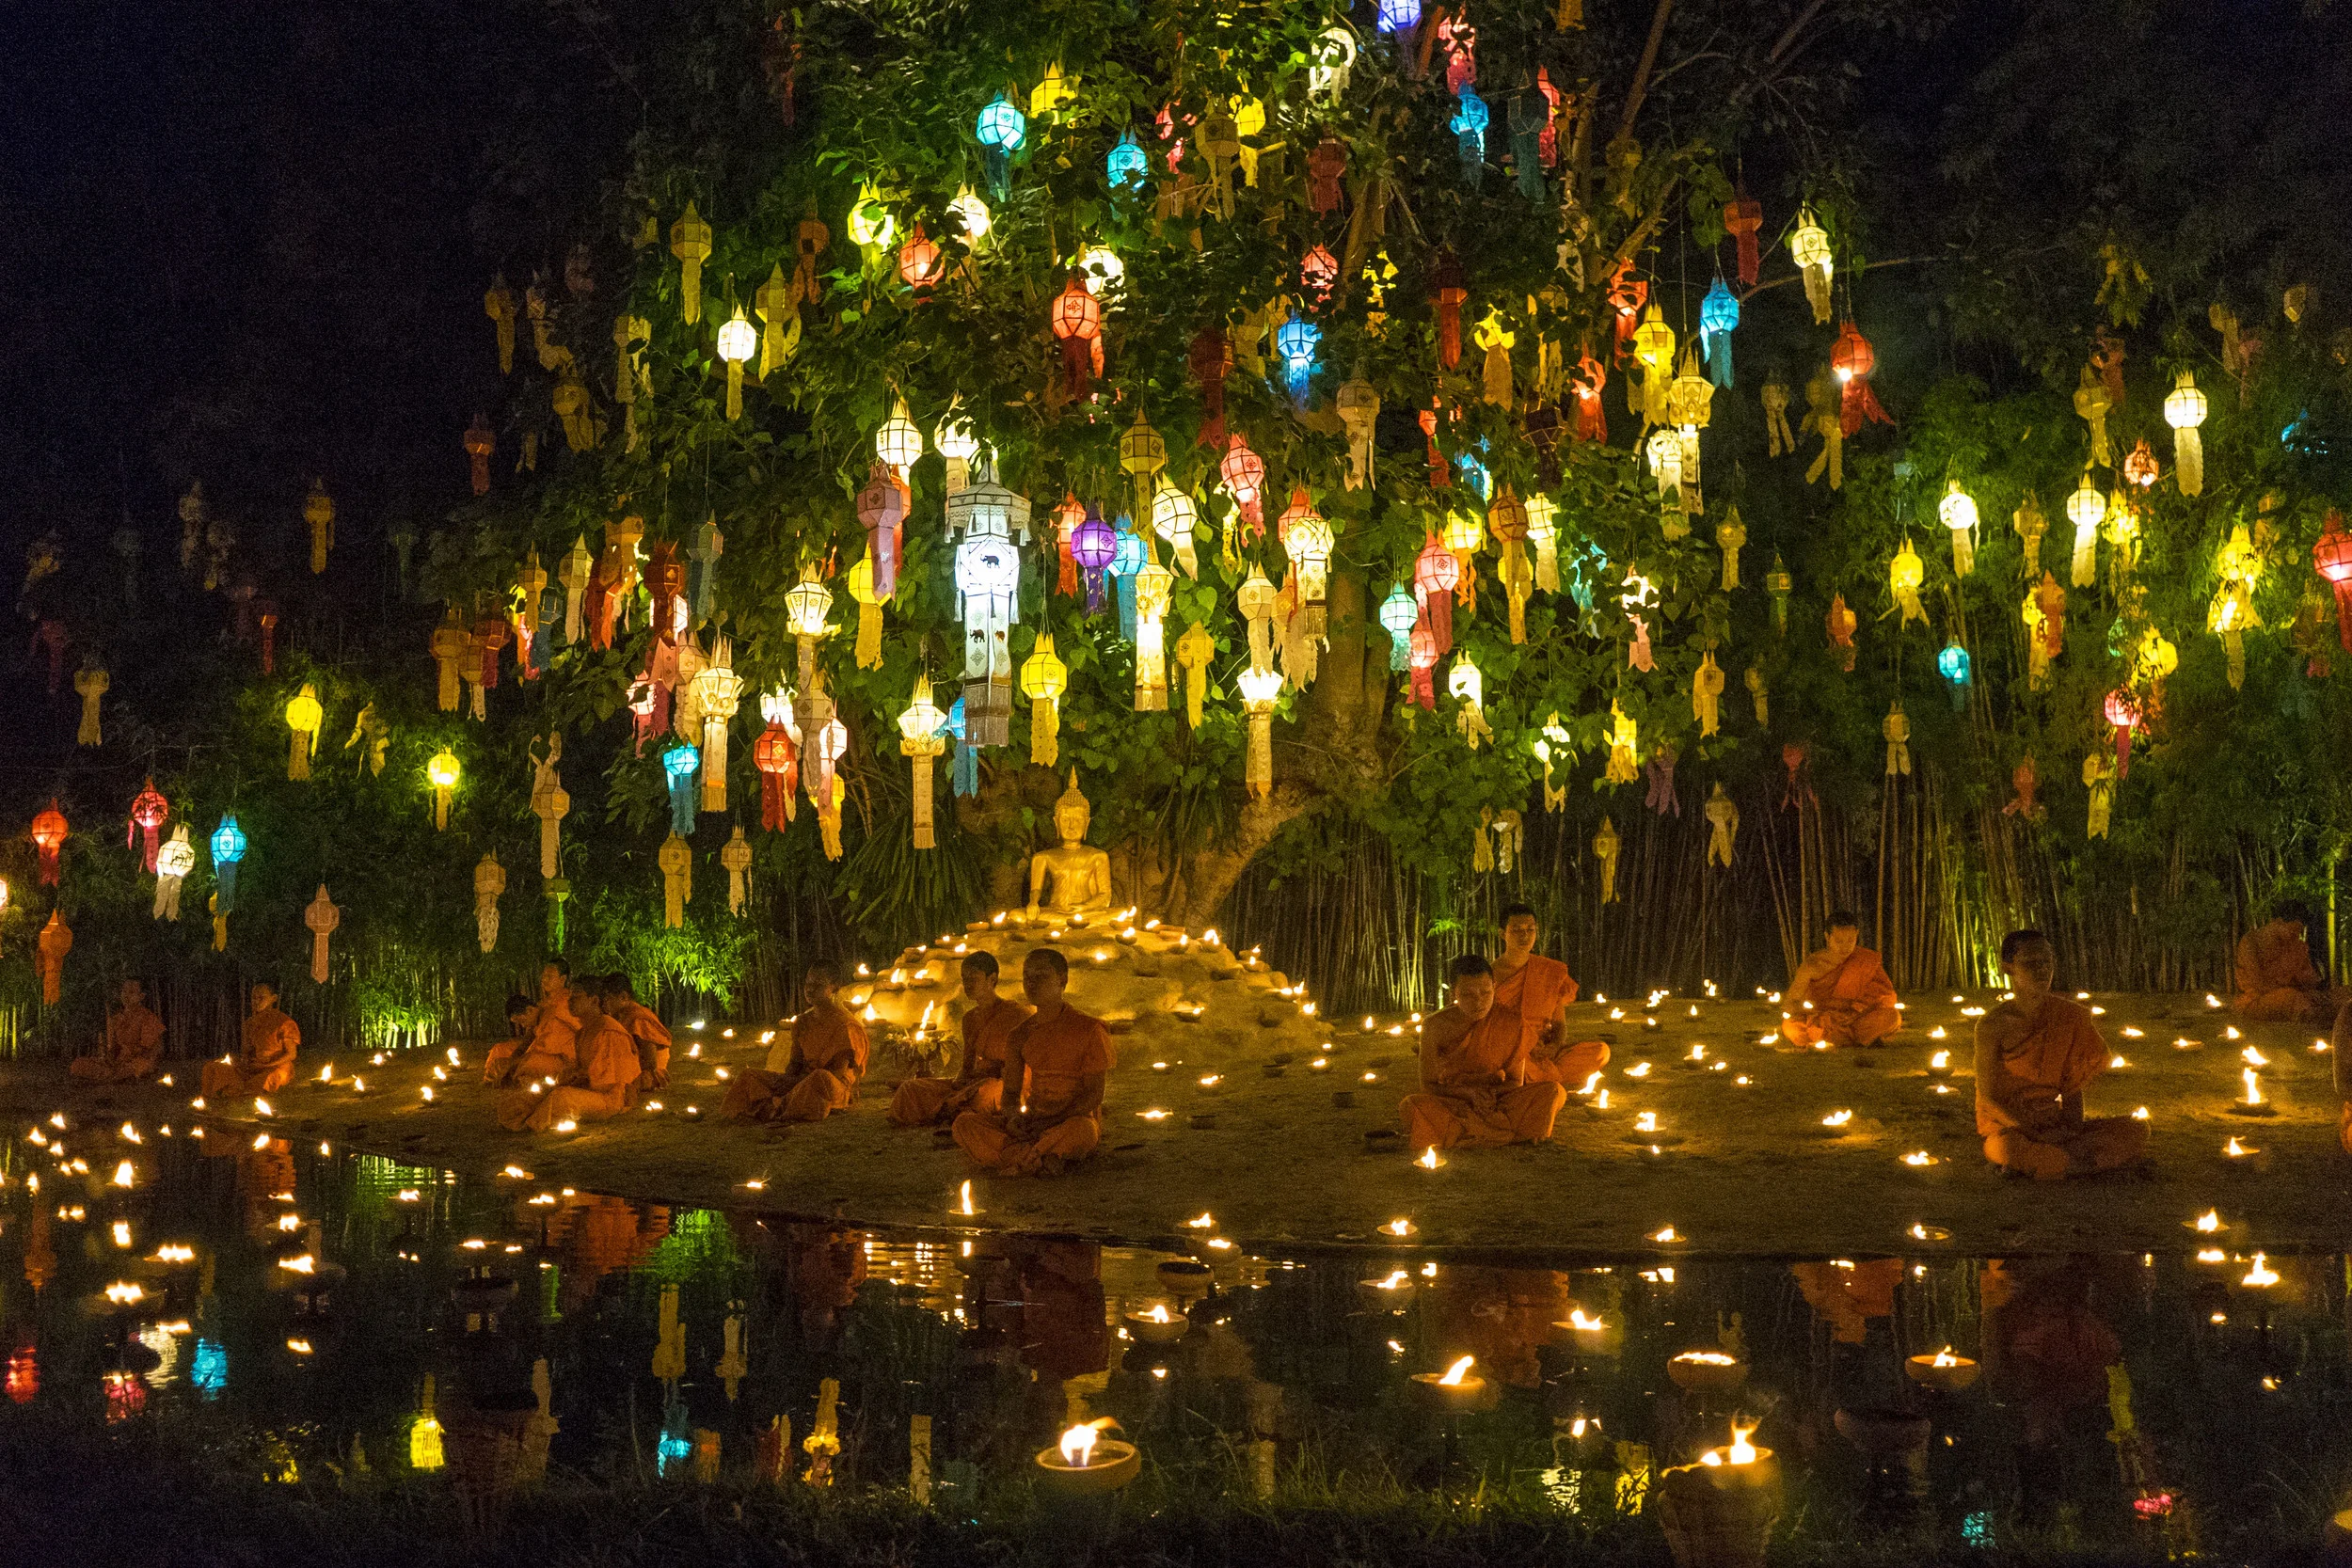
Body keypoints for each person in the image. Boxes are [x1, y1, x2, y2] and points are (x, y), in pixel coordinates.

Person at [1975, 928, 2148, 1180]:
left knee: (2137, 1129)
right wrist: (2034, 1132)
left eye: (2047, 962)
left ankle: (2059, 1163)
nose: (2042, 970)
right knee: (2005, 1148)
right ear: (2008, 967)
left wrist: (2071, 1130)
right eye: (2031, 963)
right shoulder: (1992, 1025)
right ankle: (2074, 1163)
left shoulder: (2070, 1016)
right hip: (2011, 1126)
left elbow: (2072, 1087)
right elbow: (1989, 1098)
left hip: (2053, 1122)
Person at [952, 948, 1111, 1176]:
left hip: (1071, 1119)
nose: (1032, 983)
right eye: (1027, 977)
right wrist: (1013, 1117)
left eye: (1041, 976)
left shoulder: (1089, 1029)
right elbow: (1010, 1094)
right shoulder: (1020, 1034)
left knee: (1082, 1131)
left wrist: (1052, 1120)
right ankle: (1040, 1158)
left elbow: (1094, 1095)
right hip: (1033, 1120)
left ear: (1062, 980)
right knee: (964, 1124)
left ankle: (1019, 1157)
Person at [1398, 954, 1568, 1152]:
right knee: (1411, 1105)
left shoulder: (1511, 1022)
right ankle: (1507, 1135)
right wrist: (1469, 1094)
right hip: (1456, 1101)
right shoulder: (1435, 1026)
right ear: (1454, 993)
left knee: (1554, 1092)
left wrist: (1489, 1096)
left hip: (1497, 1101)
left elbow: (1515, 1081)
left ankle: (1463, 1135)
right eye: (1468, 995)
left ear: (1494, 987)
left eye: (1485, 992)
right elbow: (1427, 1085)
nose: (1478, 1002)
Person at [891, 952, 1033, 1127]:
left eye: (974, 979)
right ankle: (952, 1109)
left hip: (1005, 1084)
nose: (967, 984)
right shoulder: (969, 1019)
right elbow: (967, 1064)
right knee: (910, 1089)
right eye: (964, 979)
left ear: (993, 980)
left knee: (982, 1095)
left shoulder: (1017, 1015)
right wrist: (958, 1084)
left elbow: (1026, 1066)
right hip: (973, 1082)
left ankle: (950, 1111)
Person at [722, 962, 869, 1123]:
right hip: (800, 1083)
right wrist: (785, 1081)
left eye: (817, 985)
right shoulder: (802, 1022)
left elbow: (836, 1075)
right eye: (807, 984)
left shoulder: (846, 1026)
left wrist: (797, 1083)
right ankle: (775, 1106)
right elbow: (795, 1063)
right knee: (749, 1075)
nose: (809, 989)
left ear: (835, 987)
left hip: (827, 1088)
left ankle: (773, 1108)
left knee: (820, 1078)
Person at [1489, 904, 1609, 1085]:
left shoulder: (1549, 971)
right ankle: (1541, 1079)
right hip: (1509, 1053)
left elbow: (1560, 1024)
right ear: (1502, 933)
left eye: (1531, 929)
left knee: (1601, 1051)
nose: (1525, 936)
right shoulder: (1489, 976)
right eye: (1517, 930)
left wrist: (1554, 1047)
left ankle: (1537, 1080)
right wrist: (1522, 1046)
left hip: (1543, 1052)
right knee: (1508, 1066)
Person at [501, 980, 640, 1132]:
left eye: (576, 997)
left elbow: (605, 1083)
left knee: (561, 1097)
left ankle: (530, 1125)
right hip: (585, 1088)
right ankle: (526, 1118)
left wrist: (577, 1078)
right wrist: (564, 1079)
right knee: (527, 1097)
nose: (569, 1002)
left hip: (608, 1098)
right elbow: (577, 1069)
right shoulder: (583, 1032)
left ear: (594, 1000)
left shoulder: (609, 1031)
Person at [1780, 911, 1901, 1047]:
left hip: (1855, 1019)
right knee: (1791, 1026)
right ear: (1827, 937)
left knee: (1892, 1017)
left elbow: (1886, 994)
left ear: (1857, 934)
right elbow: (1790, 1003)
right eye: (1839, 941)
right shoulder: (1813, 965)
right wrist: (1816, 1012)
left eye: (1851, 940)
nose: (1845, 946)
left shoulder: (1865, 960)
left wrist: (1856, 1011)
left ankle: (1840, 1039)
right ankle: (1856, 1039)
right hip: (1822, 1020)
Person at [2233, 899, 2345, 1022]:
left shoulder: (2297, 946)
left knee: (2343, 993)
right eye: (2293, 930)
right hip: (2261, 999)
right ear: (2278, 922)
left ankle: (2334, 1013)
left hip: (2299, 996)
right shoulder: (2251, 942)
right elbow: (2258, 985)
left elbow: (2309, 982)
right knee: (2290, 998)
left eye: (2298, 931)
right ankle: (2328, 1017)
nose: (2296, 935)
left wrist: (2314, 985)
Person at [199, 982, 299, 1099]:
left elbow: (291, 1054)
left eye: (261, 998)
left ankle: (236, 1090)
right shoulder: (250, 1023)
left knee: (264, 1079)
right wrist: (244, 1062)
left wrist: (268, 1064)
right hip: (254, 1067)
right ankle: (232, 1089)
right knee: (212, 1067)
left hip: (275, 1067)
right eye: (254, 998)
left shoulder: (284, 1022)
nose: (256, 1001)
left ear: (273, 999)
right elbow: (247, 1052)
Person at [485, 961, 577, 1084]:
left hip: (561, 1059)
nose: (544, 980)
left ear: (562, 979)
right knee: (499, 1054)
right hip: (538, 1053)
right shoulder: (544, 1005)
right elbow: (528, 1040)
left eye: (550, 976)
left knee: (530, 1062)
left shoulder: (567, 1004)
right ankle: (502, 1077)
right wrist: (513, 1059)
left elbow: (583, 1029)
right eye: (543, 976)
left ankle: (512, 1077)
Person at [70, 979, 166, 1084]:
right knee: (77, 1064)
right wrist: (111, 1058)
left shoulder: (148, 1018)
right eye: (124, 991)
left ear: (141, 996)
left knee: (139, 1067)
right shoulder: (117, 1018)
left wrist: (129, 1056)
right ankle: (111, 1076)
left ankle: (109, 1077)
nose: (126, 996)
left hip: (137, 1061)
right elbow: (114, 1048)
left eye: (131, 992)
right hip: (118, 1063)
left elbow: (151, 1048)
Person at [602, 974, 673, 1090]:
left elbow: (651, 1062)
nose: (604, 1004)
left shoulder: (638, 1018)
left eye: (608, 998)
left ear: (623, 997)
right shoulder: (622, 1016)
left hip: (649, 1073)